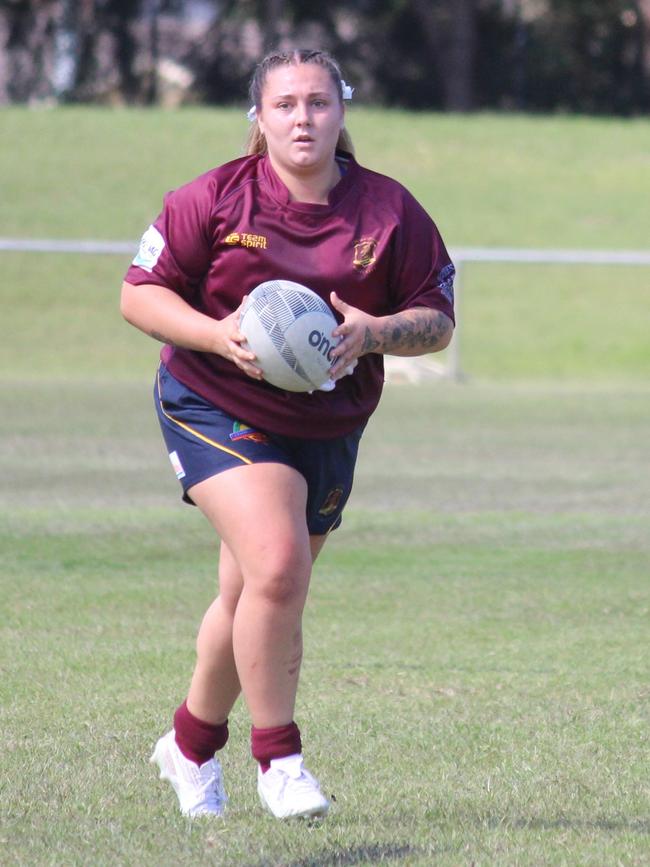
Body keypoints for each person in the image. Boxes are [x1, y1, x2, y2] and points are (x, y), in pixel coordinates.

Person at [120, 48, 455, 821]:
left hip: (327, 424)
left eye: (317, 102)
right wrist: (216, 334)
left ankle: (190, 744)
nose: (302, 118)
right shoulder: (213, 198)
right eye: (284, 105)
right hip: (212, 401)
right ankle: (280, 758)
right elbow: (140, 296)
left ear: (341, 111)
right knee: (278, 564)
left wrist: (376, 331)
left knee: (252, 592)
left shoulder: (391, 211)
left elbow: (436, 321)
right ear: (259, 118)